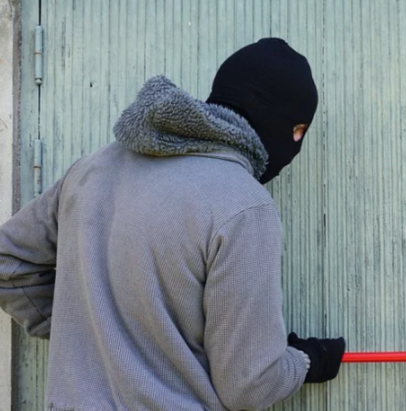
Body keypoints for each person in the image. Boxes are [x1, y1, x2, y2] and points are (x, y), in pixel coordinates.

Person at [0, 38, 345, 410]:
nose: (295, 144)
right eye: (297, 131)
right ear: (279, 121)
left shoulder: (92, 170)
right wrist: (306, 360)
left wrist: (97, 330)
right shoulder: (244, 206)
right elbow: (250, 385)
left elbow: (8, 264)